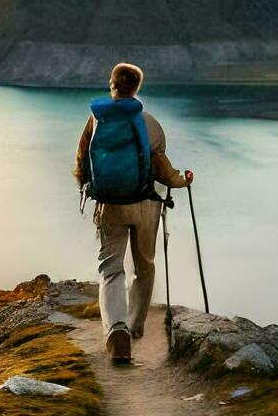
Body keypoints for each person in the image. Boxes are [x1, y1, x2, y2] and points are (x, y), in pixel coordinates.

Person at [74, 62, 191, 363]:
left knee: (111, 269)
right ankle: (135, 326)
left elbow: (81, 162)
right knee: (144, 267)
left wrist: (86, 187)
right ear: (136, 88)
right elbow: (164, 172)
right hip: (145, 207)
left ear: (111, 84)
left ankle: (116, 331)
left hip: (109, 206)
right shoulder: (149, 123)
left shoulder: (95, 120)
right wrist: (183, 180)